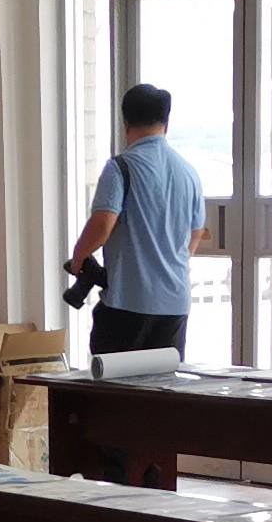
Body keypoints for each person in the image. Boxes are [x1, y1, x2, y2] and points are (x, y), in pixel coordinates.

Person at [67, 83, 204, 359]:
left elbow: (102, 225)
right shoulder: (189, 172)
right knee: (162, 382)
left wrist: (79, 258)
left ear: (125, 122)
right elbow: (196, 232)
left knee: (115, 383)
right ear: (166, 124)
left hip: (127, 304)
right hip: (174, 305)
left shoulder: (120, 167)